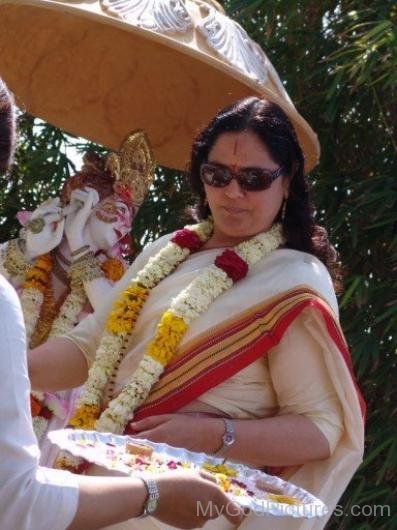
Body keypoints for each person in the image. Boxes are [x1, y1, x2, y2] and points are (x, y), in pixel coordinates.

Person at [29, 96, 365, 530]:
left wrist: (210, 435)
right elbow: (90, 346)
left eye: (255, 179)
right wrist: (12, 368)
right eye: (217, 174)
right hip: (105, 488)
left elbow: (322, 431)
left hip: (193, 505)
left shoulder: (294, 279)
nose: (232, 192)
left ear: (289, 180)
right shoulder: (166, 251)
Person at [0, 77, 244, 530]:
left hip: (59, 407)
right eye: (110, 211)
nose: (119, 227)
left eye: (128, 218)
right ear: (76, 203)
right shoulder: (26, 259)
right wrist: (34, 246)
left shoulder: (128, 272)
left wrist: (83, 256)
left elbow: (115, 327)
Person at [0, 112, 154, 452]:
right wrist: (27, 247)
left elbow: (118, 320)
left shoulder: (118, 275)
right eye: (117, 211)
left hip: (58, 416)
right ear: (83, 199)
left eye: (130, 218)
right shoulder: (34, 242)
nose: (124, 226)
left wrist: (79, 243)